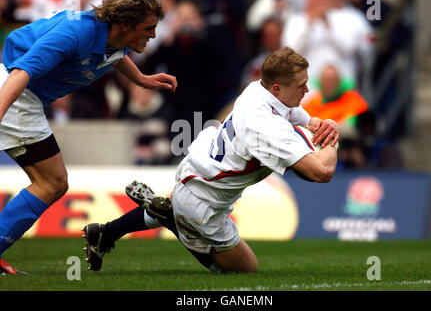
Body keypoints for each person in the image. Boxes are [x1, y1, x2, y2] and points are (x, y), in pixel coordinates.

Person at [82, 47, 339, 273]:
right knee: (246, 268)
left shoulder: (256, 91)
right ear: (277, 88)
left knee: (178, 203)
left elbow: (293, 111)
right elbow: (321, 172)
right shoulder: (267, 128)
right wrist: (332, 137)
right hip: (203, 206)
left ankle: (106, 233)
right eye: (302, 85)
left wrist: (316, 123)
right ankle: (172, 220)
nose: (308, 89)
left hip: (195, 171)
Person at [0, 0, 178, 275]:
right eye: (148, 28)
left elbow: (114, 55)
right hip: (16, 93)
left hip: (23, 97)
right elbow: (22, 72)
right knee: (52, 182)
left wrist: (141, 79)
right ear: (125, 26)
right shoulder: (74, 33)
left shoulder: (111, 36)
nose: (154, 35)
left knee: (51, 182)